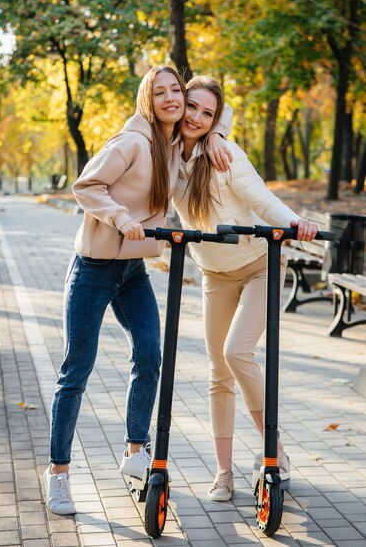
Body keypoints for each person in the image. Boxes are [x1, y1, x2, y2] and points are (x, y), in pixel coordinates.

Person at [44, 66, 232, 515]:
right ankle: (58, 473)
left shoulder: (171, 146)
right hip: (92, 268)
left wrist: (219, 134)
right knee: (77, 369)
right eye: (160, 92)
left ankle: (135, 451)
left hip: (132, 272)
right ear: (147, 99)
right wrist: (121, 218)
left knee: (150, 355)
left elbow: (215, 113)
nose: (171, 99)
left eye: (177, 92)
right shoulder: (131, 142)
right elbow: (86, 185)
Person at [172, 76, 318, 502]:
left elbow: (262, 199)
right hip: (213, 275)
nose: (197, 118)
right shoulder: (166, 153)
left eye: (208, 114)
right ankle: (223, 473)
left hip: (258, 266)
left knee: (237, 352)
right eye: (192, 108)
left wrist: (295, 222)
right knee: (219, 373)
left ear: (217, 120)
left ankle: (274, 451)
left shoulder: (225, 153)